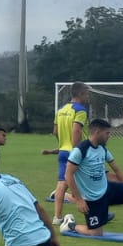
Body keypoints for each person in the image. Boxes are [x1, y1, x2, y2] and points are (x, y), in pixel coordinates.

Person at [44, 83, 90, 222]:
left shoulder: (61, 110)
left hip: (63, 151)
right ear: (80, 94)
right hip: (75, 151)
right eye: (87, 94)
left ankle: (57, 217)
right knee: (91, 182)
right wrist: (77, 150)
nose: (88, 97)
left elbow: (55, 132)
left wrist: (62, 145)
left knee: (62, 184)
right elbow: (77, 130)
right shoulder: (80, 110)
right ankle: (96, 214)